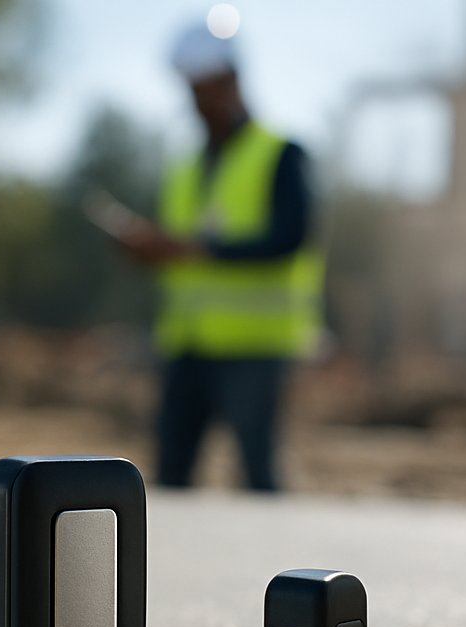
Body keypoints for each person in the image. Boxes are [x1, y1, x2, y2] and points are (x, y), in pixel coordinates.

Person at [115, 21, 323, 492]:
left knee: (257, 475)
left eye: (206, 89)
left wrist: (188, 249)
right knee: (170, 475)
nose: (198, 102)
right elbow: (182, 252)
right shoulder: (185, 166)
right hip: (187, 345)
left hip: (256, 346)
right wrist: (151, 251)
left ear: (232, 81)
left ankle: (278, 566)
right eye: (192, 90)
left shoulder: (280, 154)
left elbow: (290, 238)